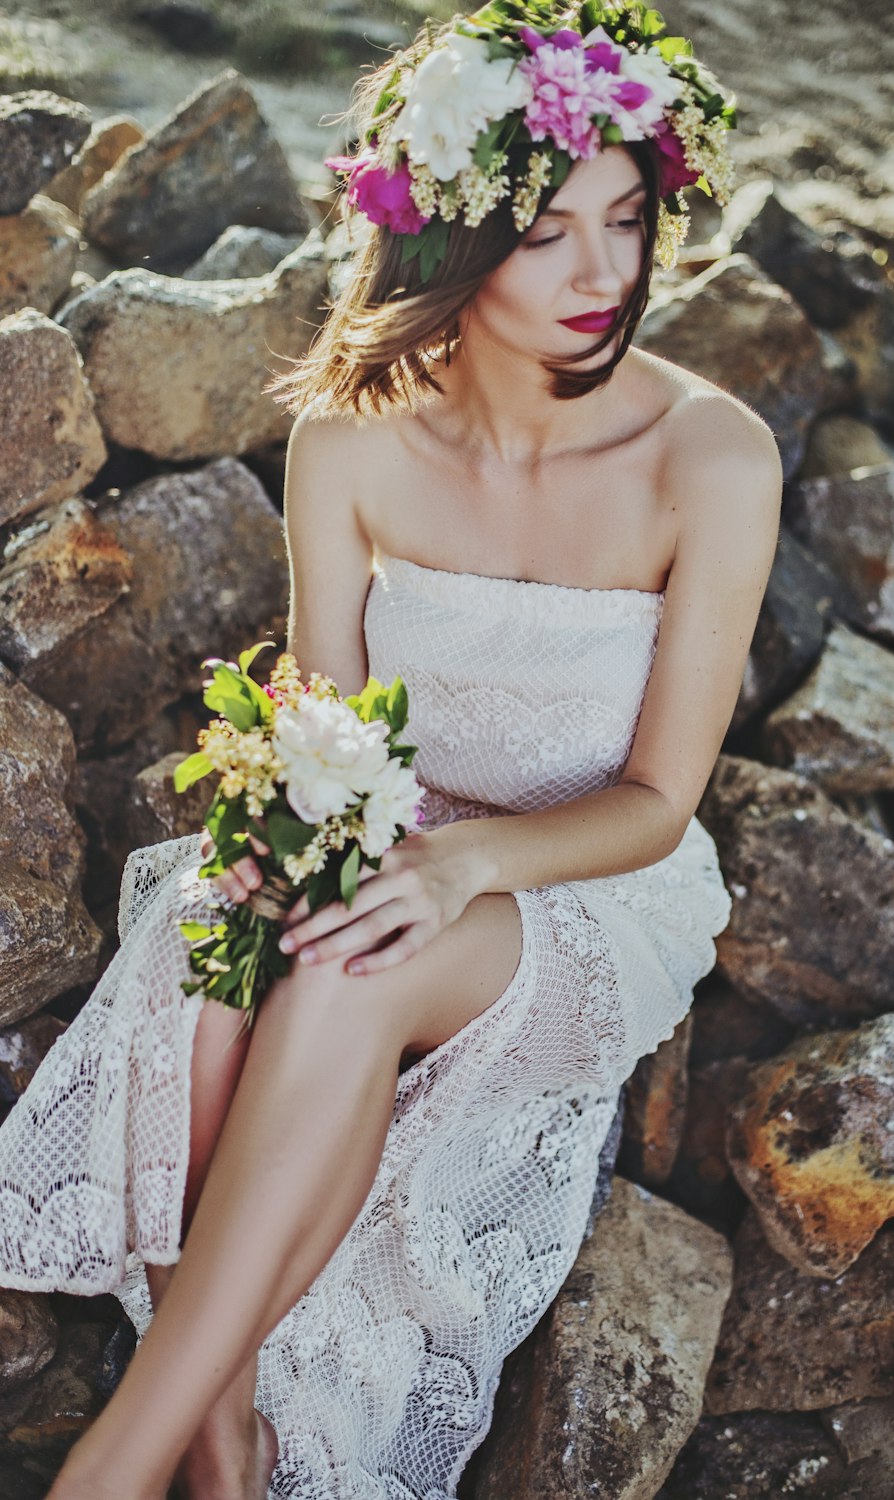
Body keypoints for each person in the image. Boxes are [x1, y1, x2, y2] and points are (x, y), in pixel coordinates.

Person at [0, 3, 781, 1496]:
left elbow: (663, 805)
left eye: (630, 220)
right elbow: (327, 723)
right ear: (450, 236)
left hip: (582, 890)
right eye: (550, 233)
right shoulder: (351, 443)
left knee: (357, 962)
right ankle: (225, 1438)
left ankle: (113, 1463)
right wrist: (286, 851)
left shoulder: (711, 457)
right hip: (393, 845)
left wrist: (460, 864)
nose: (605, 275)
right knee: (227, 955)